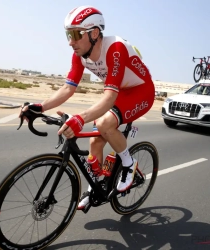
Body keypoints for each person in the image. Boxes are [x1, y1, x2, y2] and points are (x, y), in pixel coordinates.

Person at [19, 5, 155, 210]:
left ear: (94, 33)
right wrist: (40, 107)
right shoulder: (79, 54)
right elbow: (67, 88)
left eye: (75, 34)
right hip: (119, 94)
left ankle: (129, 164)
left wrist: (80, 118)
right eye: (68, 34)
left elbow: (109, 97)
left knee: (104, 124)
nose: (70, 42)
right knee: (94, 142)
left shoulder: (115, 49)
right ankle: (98, 186)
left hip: (141, 92)